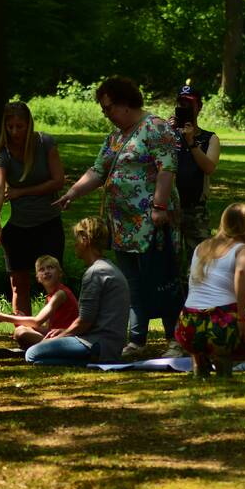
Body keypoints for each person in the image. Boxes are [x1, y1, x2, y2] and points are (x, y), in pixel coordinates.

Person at [54, 76, 185, 360]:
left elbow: (166, 169)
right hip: (122, 226)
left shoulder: (155, 128)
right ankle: (137, 340)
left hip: (153, 224)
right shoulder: (116, 137)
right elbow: (98, 171)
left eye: (109, 108)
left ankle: (175, 338)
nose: (107, 115)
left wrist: (160, 207)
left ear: (126, 103)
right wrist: (72, 193)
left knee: (162, 280)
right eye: (104, 110)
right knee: (132, 284)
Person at [0, 102, 66, 315]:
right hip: (16, 225)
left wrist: (22, 192)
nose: (14, 132)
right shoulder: (2, 154)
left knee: (52, 279)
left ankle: (56, 328)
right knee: (18, 283)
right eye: (10, 126)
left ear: (28, 125)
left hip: (47, 221)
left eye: (19, 126)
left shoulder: (45, 143)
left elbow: (58, 181)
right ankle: (23, 333)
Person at [175, 203, 245, 375]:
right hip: (220, 323)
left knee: (204, 336)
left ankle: (201, 357)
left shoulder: (202, 247)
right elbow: (241, 273)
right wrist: (241, 320)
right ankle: (221, 356)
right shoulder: (244, 250)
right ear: (241, 227)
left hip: (187, 325)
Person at [25, 218, 129, 366]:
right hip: (112, 345)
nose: (75, 244)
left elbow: (84, 322)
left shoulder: (95, 273)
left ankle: (88, 361)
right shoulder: (109, 267)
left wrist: (61, 336)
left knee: (32, 354)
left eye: (77, 240)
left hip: (96, 344)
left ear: (85, 240)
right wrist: (64, 331)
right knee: (40, 354)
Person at [168, 83, 220, 261]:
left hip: (195, 209)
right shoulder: (169, 135)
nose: (184, 108)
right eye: (181, 104)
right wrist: (167, 133)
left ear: (199, 107)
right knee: (169, 263)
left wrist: (191, 141)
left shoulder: (209, 138)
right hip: (169, 209)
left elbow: (209, 167)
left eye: (189, 104)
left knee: (200, 263)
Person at [0, 255, 79, 352]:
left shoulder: (60, 294)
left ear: (60, 273)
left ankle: (36, 350)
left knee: (21, 333)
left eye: (50, 267)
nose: (46, 272)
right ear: (38, 278)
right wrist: (23, 321)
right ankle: (35, 350)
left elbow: (37, 321)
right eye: (42, 270)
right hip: (56, 336)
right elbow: (47, 329)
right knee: (21, 329)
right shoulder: (49, 297)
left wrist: (5, 318)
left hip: (67, 339)